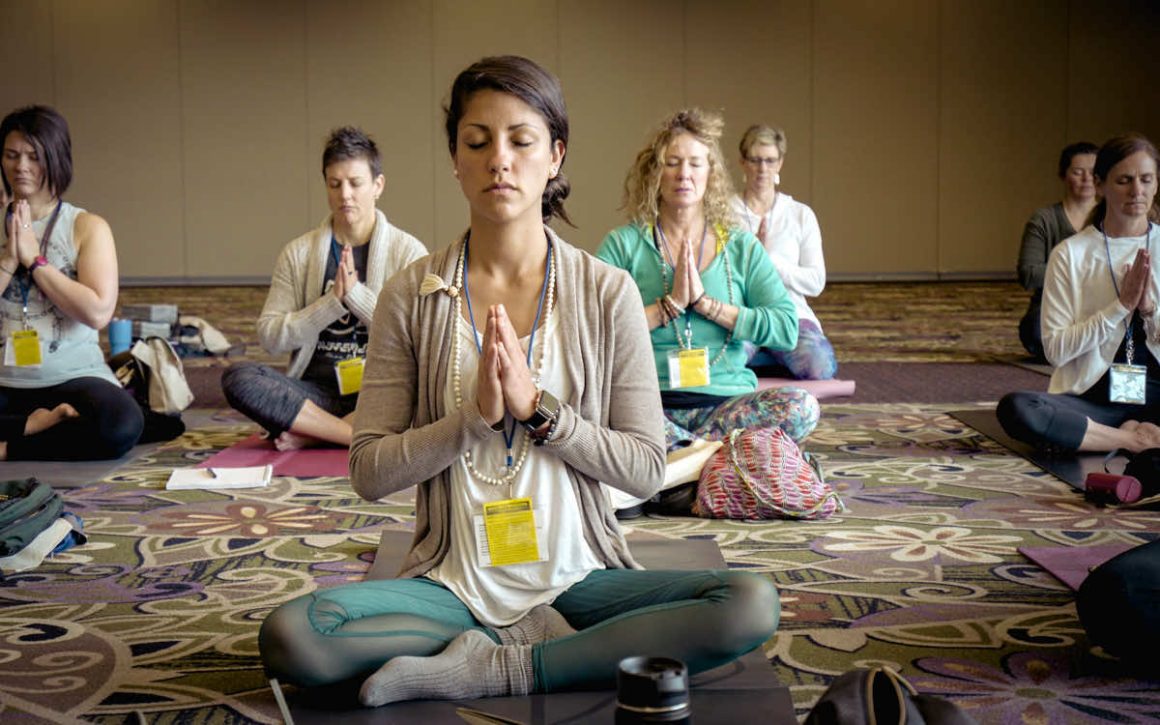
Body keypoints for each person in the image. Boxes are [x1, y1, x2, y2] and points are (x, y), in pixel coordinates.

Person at [258, 56, 779, 706]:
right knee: (295, 635)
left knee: (749, 603)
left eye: (521, 140)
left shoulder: (605, 291)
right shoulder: (408, 296)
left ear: (555, 155)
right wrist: (468, 423)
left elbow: (645, 468)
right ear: (455, 158)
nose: (498, 159)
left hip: (577, 578)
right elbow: (368, 471)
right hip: (453, 583)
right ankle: (546, 649)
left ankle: (508, 666)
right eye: (477, 142)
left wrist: (543, 412)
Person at [596, 109, 819, 467]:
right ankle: (718, 459)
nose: (684, 174)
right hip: (649, 405)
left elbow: (785, 329)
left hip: (725, 405)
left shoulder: (741, 246)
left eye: (695, 164)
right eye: (672, 163)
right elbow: (594, 330)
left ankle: (680, 461)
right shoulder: (623, 245)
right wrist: (668, 306)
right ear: (655, 172)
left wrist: (708, 306)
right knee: (594, 413)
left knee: (801, 407)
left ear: (710, 173)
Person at [220, 127, 426, 450]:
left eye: (355, 183)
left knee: (425, 389)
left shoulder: (408, 252)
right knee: (239, 379)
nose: (345, 194)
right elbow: (271, 337)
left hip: (379, 392)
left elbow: (418, 338)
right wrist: (330, 304)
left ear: (378, 185)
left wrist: (356, 298)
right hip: (314, 396)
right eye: (335, 184)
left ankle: (313, 434)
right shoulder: (297, 254)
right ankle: (346, 435)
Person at [998, 134, 1160, 453]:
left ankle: (1105, 436)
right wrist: (1119, 307)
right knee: (1019, 408)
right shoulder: (1070, 254)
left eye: (1146, 179)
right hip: (1095, 399)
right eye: (1124, 180)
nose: (1137, 191)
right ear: (1100, 186)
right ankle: (1131, 440)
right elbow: (1056, 351)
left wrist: (1150, 311)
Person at [0, 105, 142, 461]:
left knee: (120, 424)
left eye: (34, 156)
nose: (21, 167)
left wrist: (35, 261)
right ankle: (34, 427)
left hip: (74, 376)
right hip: (5, 380)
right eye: (11, 155)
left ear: (56, 159)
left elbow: (97, 313)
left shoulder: (86, 227)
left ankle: (11, 445)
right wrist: (8, 258)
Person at [730, 124, 836, 380]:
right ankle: (768, 356)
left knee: (820, 367)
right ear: (742, 163)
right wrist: (749, 260)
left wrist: (770, 263)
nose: (762, 169)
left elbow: (815, 282)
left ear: (780, 164)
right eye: (755, 160)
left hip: (789, 315)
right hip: (742, 314)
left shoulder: (800, 214)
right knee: (716, 367)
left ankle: (767, 355)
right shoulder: (724, 213)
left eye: (769, 160)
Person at [1016, 141, 1099, 361]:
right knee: (1034, 329)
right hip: (1054, 308)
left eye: (1093, 173)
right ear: (1063, 175)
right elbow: (1029, 274)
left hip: (1101, 307)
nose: (1086, 179)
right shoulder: (1044, 219)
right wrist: (1082, 273)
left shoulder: (1112, 217)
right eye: (1078, 172)